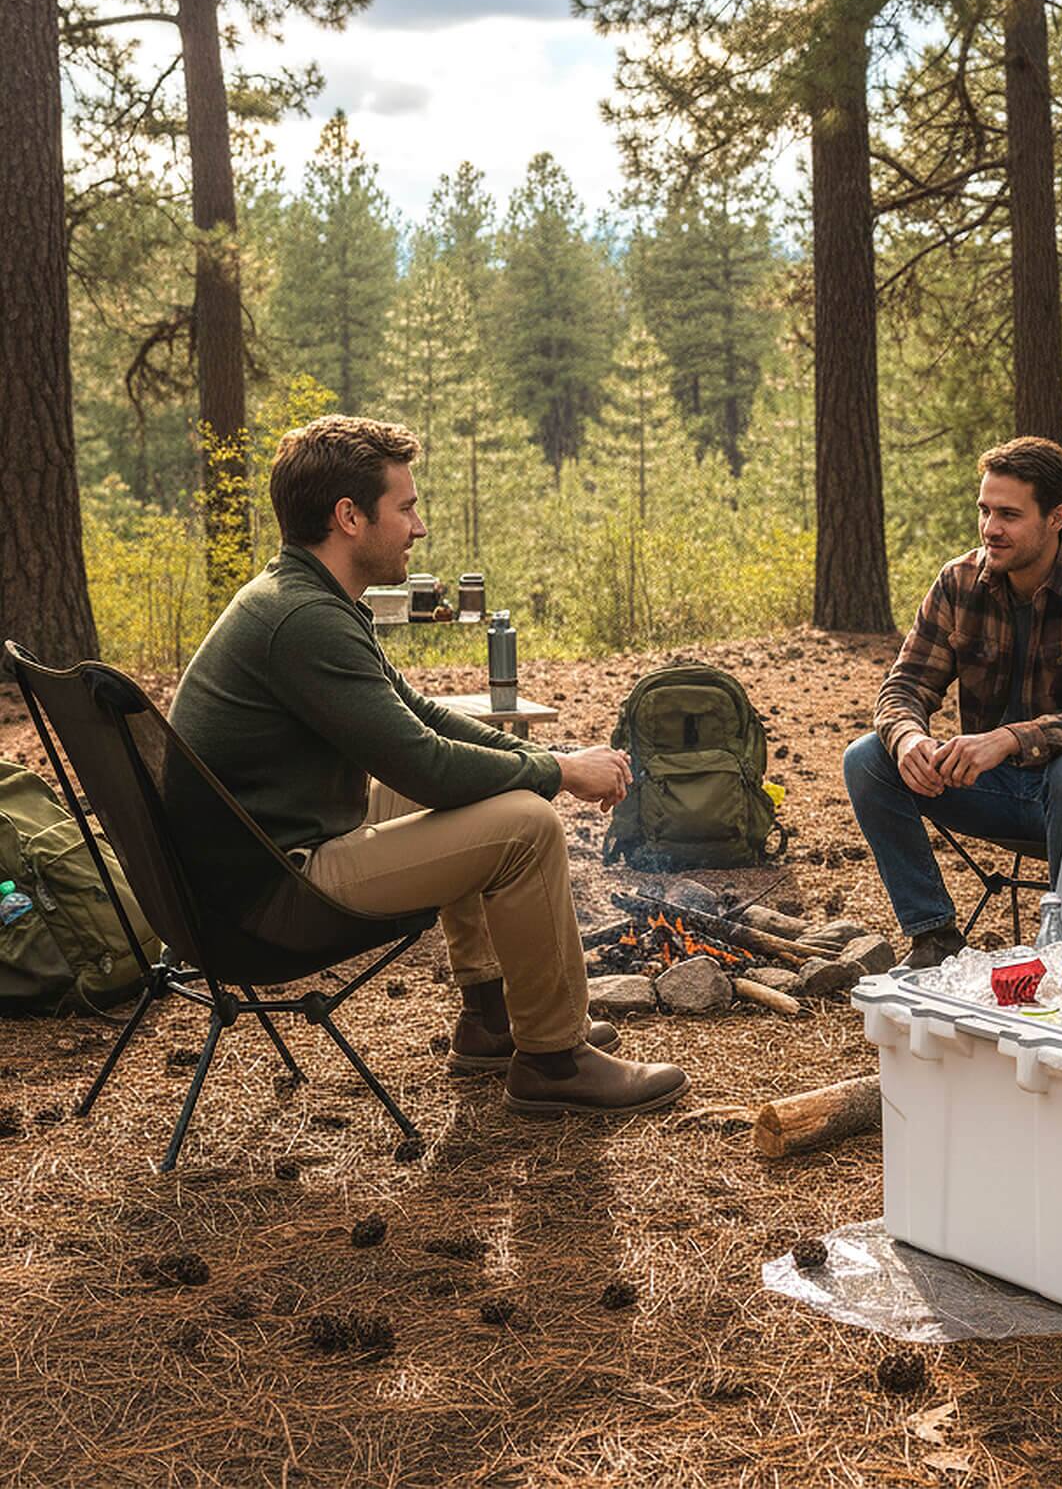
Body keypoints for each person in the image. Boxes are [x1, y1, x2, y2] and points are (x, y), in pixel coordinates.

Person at [169, 415, 688, 1115]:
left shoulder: (303, 596)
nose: (419, 527)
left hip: (257, 865)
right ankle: (554, 1060)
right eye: (406, 508)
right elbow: (427, 767)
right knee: (525, 825)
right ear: (349, 517)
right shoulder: (304, 621)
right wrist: (560, 776)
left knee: (477, 795)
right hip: (268, 899)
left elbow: (422, 717)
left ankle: (491, 1019)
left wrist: (553, 757)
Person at [842, 436, 1062, 966]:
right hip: (989, 789)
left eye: (1009, 514)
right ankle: (934, 937)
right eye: (985, 510)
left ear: (1056, 518)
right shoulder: (958, 581)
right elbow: (904, 686)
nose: (990, 528)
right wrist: (909, 739)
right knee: (868, 758)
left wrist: (1008, 740)